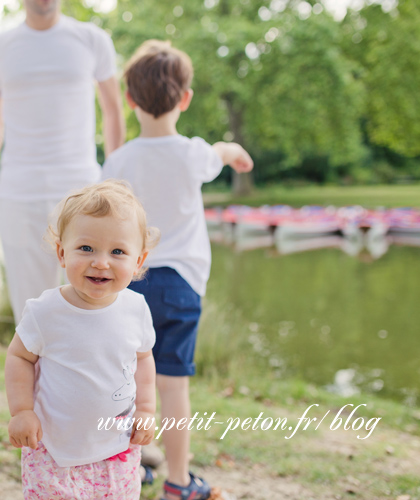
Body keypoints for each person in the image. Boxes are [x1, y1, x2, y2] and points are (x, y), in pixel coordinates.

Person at [102, 40, 254, 500]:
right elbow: (222, 154)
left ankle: (127, 467)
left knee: (123, 383)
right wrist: (234, 152)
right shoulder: (193, 152)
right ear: (185, 99)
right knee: (171, 386)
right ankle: (178, 481)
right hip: (181, 285)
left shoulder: (119, 159)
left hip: (130, 284)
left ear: (129, 100)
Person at [4, 180, 158, 499]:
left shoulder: (136, 309)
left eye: (118, 251)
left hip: (117, 448)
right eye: (86, 248)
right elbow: (19, 357)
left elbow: (143, 358)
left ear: (138, 261)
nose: (101, 262)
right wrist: (21, 411)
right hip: (54, 451)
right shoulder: (45, 312)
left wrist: (146, 408)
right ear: (62, 253)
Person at [0, 0, 126, 323]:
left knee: (94, 303)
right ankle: (29, 375)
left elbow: (113, 109)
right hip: (19, 190)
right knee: (30, 309)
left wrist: (114, 175)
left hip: (81, 188)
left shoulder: (92, 39)